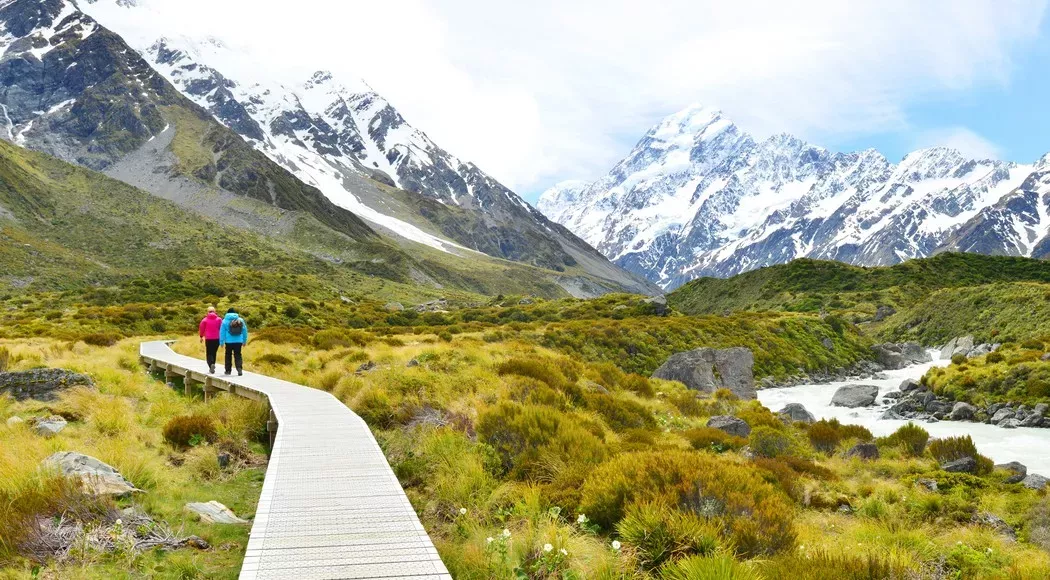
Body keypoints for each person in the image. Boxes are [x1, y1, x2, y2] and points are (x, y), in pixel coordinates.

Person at [219, 308, 248, 376]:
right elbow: (244, 331)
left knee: (228, 355)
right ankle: (239, 369)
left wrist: (221, 342)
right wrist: (244, 341)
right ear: (235, 313)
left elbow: (222, 332)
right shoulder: (240, 320)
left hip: (228, 341)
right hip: (238, 341)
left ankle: (228, 370)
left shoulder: (224, 321)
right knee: (238, 355)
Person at [198, 306, 223, 374]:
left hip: (209, 339)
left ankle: (211, 365)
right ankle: (213, 364)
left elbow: (201, 329)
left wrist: (201, 336)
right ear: (215, 312)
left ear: (207, 312)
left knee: (209, 353)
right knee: (214, 352)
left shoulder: (204, 320)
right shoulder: (219, 319)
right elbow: (222, 329)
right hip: (217, 339)